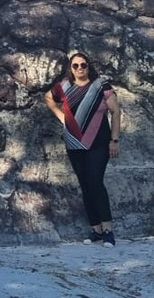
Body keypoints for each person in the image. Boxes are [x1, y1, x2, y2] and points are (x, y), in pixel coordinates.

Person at [43, 51, 122, 247]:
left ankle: (108, 230)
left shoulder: (100, 85)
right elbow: (48, 98)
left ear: (89, 66)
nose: (79, 69)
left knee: (95, 182)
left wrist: (115, 140)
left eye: (83, 65)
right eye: (75, 66)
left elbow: (116, 111)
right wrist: (62, 118)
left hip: (99, 142)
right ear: (70, 68)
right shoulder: (64, 86)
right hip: (73, 143)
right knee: (85, 185)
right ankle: (95, 229)